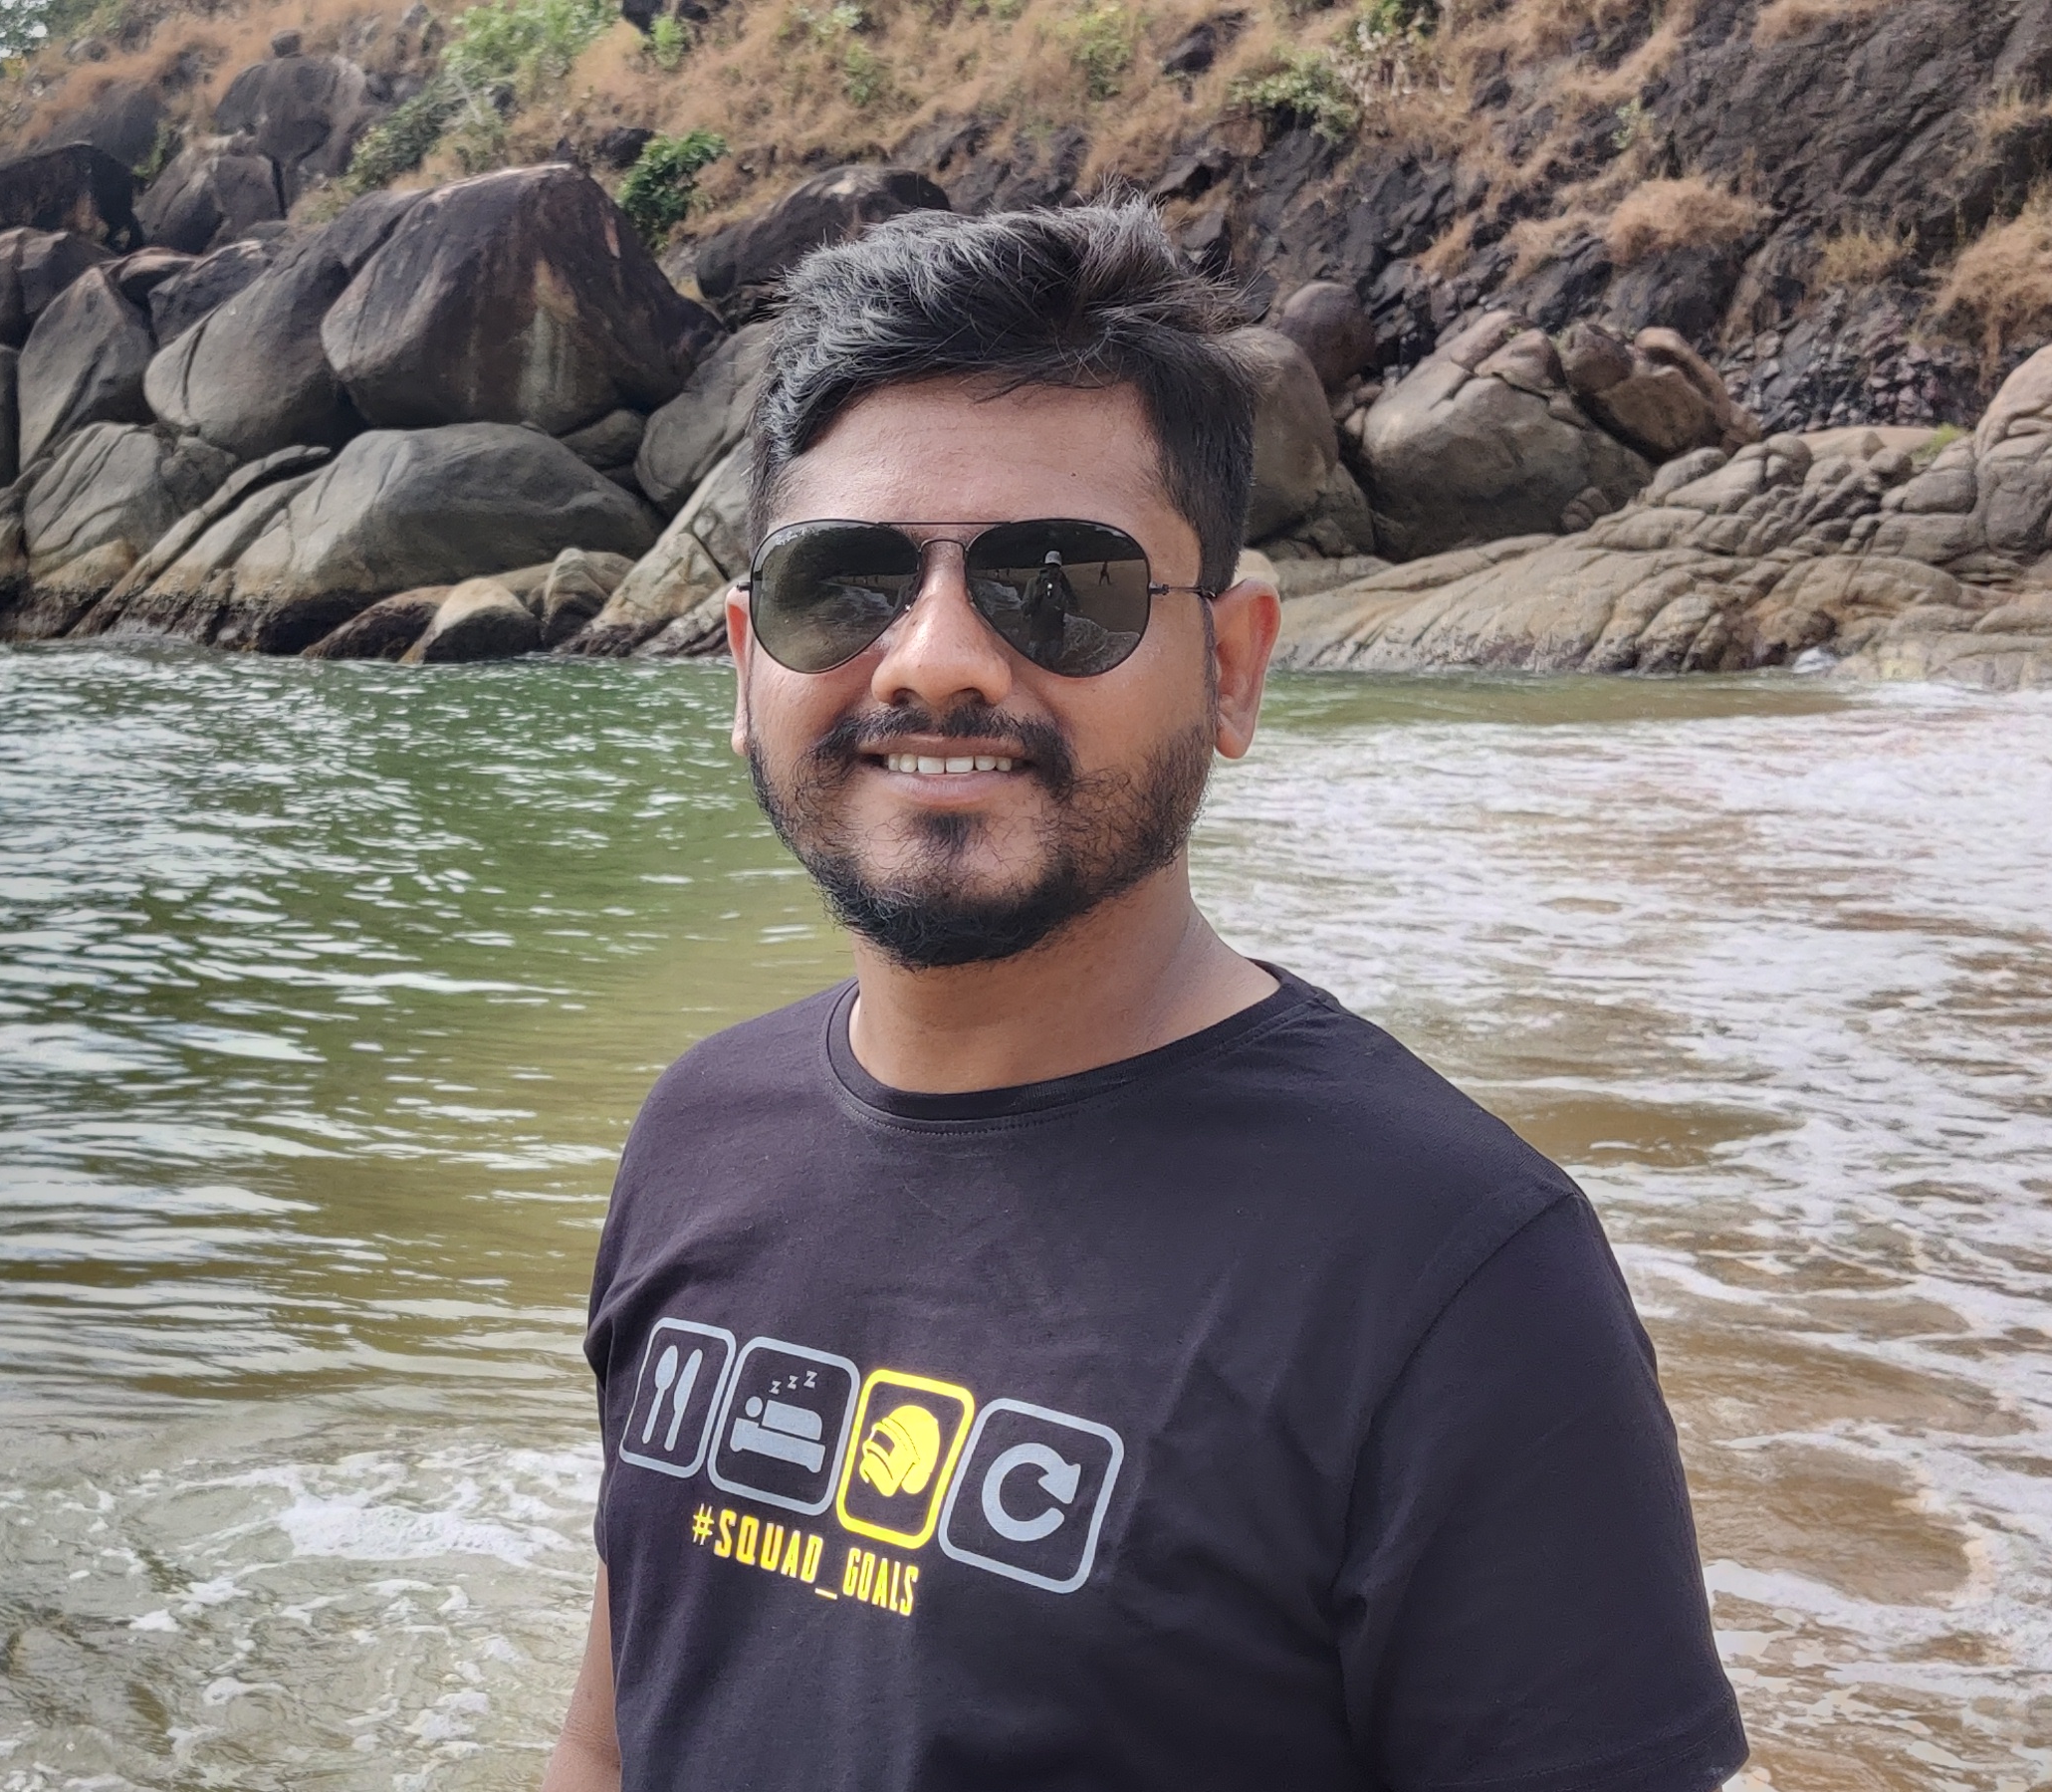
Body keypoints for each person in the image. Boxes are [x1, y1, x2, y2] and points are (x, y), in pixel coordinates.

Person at [541, 203, 1743, 1792]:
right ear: (746, 661)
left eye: (1061, 584)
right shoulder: (701, 1131)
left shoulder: (1453, 1275)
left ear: (1232, 669)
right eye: (847, 582)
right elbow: (615, 1729)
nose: (936, 661)